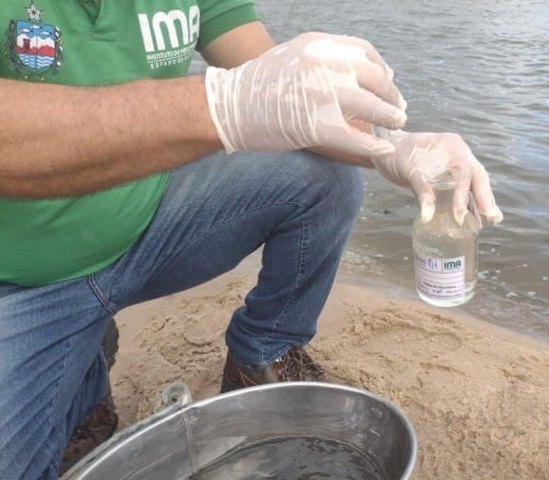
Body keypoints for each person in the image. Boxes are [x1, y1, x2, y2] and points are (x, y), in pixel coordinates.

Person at [0, 1, 503, 478]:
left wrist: (397, 145)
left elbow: (287, 98)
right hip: (21, 276)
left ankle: (261, 353)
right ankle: (82, 371)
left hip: (143, 224)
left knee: (320, 177)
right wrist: (221, 103)